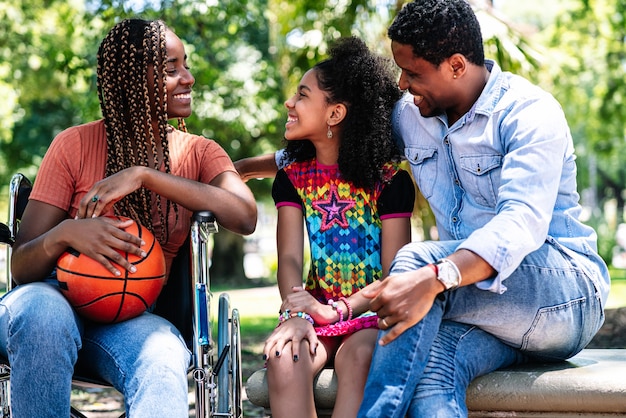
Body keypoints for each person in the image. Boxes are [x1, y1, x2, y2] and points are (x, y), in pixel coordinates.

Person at [237, 1, 610, 416]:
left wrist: (438, 275)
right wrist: (245, 170)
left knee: (415, 259)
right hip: (481, 309)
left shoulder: (528, 114)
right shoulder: (414, 116)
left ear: (455, 66)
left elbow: (519, 224)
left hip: (562, 299)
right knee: (432, 377)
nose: (400, 83)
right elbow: (340, 144)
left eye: (413, 73)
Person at [0, 18, 257, 417]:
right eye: (172, 70)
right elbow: (21, 268)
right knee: (43, 315)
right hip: (52, 300)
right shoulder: (73, 145)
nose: (188, 78)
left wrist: (145, 177)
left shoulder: (199, 153)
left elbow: (244, 215)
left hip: (131, 318)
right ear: (134, 82)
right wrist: (67, 234)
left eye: (185, 65)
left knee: (162, 355)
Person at [261, 37, 415, 418]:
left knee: (361, 356)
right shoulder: (292, 180)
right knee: (284, 356)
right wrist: (296, 312)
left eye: (302, 95)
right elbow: (291, 260)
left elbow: (395, 276)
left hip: (371, 312)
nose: (289, 103)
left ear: (335, 114)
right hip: (314, 305)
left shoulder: (389, 183)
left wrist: (342, 310)